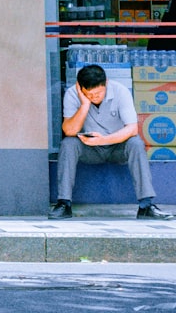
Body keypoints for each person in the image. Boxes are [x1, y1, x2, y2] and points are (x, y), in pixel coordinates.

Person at [50, 64, 174, 220]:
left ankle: (146, 205)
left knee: (136, 143)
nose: (94, 97)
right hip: (90, 150)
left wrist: (103, 140)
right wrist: (84, 105)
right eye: (89, 94)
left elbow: (132, 129)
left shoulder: (120, 91)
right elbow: (69, 130)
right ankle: (64, 203)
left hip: (117, 147)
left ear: (106, 83)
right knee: (68, 144)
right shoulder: (72, 94)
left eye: (98, 93)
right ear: (80, 89)